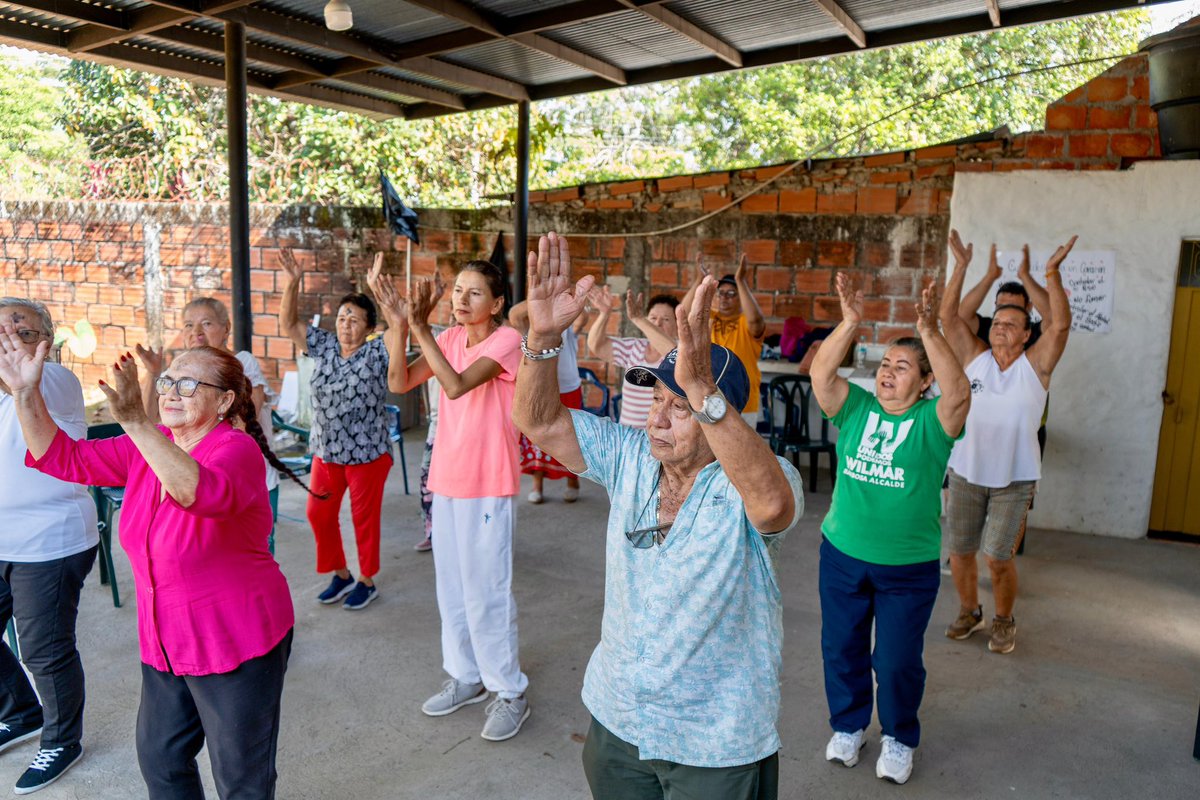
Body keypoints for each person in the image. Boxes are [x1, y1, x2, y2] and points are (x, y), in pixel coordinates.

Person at [514, 232, 803, 800]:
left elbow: (771, 508)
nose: (657, 420)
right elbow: (540, 422)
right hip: (619, 718)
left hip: (713, 742)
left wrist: (701, 390)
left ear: (720, 415)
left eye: (682, 408)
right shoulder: (630, 455)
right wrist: (543, 339)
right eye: (658, 401)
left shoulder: (761, 476)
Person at [0, 338, 304, 800]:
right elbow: (63, 457)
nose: (171, 392)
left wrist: (136, 420)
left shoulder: (235, 448)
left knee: (242, 777)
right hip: (165, 641)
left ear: (224, 401)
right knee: (161, 761)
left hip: (235, 639)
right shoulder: (153, 442)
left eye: (187, 383)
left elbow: (196, 493)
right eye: (167, 381)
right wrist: (26, 394)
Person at [810, 274, 970, 786]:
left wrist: (929, 332)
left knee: (897, 659)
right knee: (842, 646)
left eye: (902, 368)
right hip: (842, 555)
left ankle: (899, 737)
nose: (888, 373)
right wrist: (852, 322)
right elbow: (820, 373)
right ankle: (850, 725)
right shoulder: (855, 407)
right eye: (884, 364)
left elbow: (959, 390)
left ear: (924, 382)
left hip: (908, 567)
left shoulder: (934, 421)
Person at [369, 257, 530, 742]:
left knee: (487, 589)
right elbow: (399, 382)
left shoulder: (508, 342)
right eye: (458, 290)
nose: (461, 299)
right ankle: (466, 676)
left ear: (497, 303)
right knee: (453, 588)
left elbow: (456, 386)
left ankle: (509, 691)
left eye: (474, 292)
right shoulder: (449, 339)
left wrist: (419, 325)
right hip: (447, 479)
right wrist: (400, 325)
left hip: (488, 481)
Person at [939, 231, 1078, 655]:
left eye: (1010, 324)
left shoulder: (1037, 367)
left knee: (997, 556)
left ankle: (1003, 619)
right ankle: (968, 610)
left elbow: (1061, 322)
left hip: (1015, 480)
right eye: (996, 322)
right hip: (965, 472)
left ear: (1025, 335)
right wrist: (962, 268)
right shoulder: (975, 356)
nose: (999, 327)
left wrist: (1049, 273)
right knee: (960, 552)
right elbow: (949, 318)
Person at [0, 298, 98, 795]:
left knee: (45, 650)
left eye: (23, 329)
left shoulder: (53, 379)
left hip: (49, 542)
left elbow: (23, 381)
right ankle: (20, 711)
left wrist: (19, 366)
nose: (10, 338)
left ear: (48, 339)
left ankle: (64, 740)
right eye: (0, 330)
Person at [280, 249, 392, 610]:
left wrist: (379, 290)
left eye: (355, 319)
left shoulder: (377, 352)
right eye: (343, 316)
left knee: (364, 520)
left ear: (370, 328)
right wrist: (293, 282)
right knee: (319, 514)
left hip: (367, 456)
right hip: (327, 452)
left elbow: (400, 329)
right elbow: (289, 325)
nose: (346, 324)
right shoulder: (325, 345)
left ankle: (367, 579)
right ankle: (341, 574)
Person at [136, 297, 281, 550]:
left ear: (226, 329)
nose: (196, 333)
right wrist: (153, 371)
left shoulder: (243, 362)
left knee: (250, 550)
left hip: (243, 479)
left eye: (206, 323)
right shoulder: (182, 370)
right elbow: (150, 423)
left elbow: (246, 422)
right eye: (188, 325)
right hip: (200, 482)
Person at [509, 301, 584, 504]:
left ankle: (572, 481)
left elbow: (582, 319)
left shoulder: (566, 318)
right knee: (537, 437)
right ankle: (537, 485)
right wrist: (544, 296)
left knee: (571, 436)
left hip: (568, 386)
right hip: (539, 384)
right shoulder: (532, 322)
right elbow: (514, 315)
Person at [682, 255, 765, 425]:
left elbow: (756, 321)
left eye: (731, 293)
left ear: (740, 297)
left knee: (741, 451)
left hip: (743, 401)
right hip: (708, 399)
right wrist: (700, 280)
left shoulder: (744, 322)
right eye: (721, 293)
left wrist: (740, 281)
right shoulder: (710, 317)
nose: (724, 297)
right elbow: (684, 312)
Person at [585, 287, 678, 429]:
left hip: (661, 436)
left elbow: (674, 355)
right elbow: (596, 345)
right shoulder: (634, 347)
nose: (658, 324)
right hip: (628, 436)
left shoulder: (679, 351)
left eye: (666, 319)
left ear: (677, 325)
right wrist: (604, 314)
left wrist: (638, 319)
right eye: (653, 318)